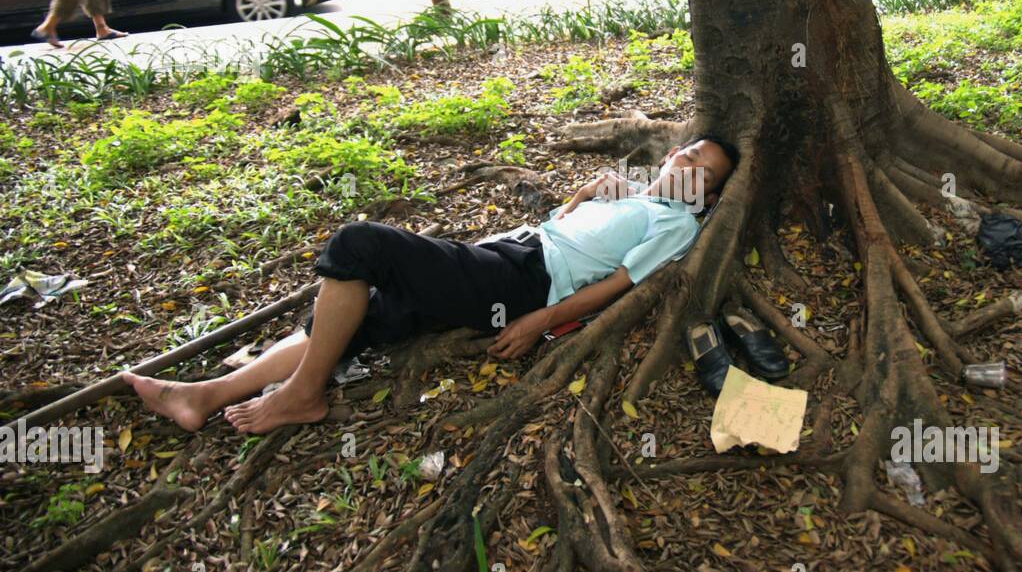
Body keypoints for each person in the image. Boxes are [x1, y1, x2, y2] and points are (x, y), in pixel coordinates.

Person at [122, 136, 741, 434]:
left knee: (359, 246)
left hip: (524, 283)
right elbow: (565, 222)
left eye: (698, 169)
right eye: (685, 151)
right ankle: (203, 396)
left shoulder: (676, 225)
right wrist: (586, 192)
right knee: (354, 316)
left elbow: (615, 289)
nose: (682, 161)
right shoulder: (637, 191)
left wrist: (539, 321)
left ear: (708, 194)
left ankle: (302, 395)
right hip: (506, 255)